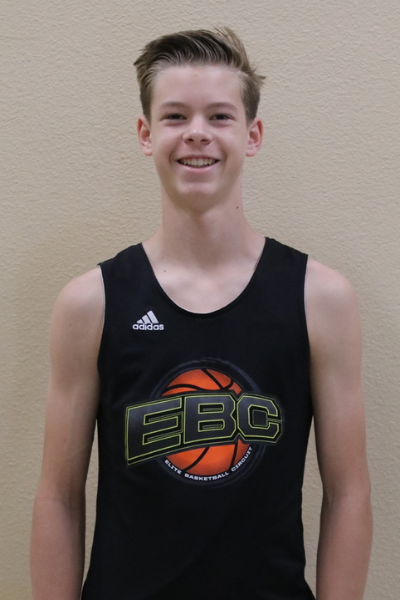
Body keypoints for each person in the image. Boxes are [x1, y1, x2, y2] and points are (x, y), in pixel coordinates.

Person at [31, 27, 372, 600]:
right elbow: (58, 497)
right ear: (145, 134)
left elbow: (349, 494)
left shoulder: (320, 298)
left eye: (219, 116)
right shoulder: (91, 302)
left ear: (252, 134)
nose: (196, 133)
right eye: (174, 116)